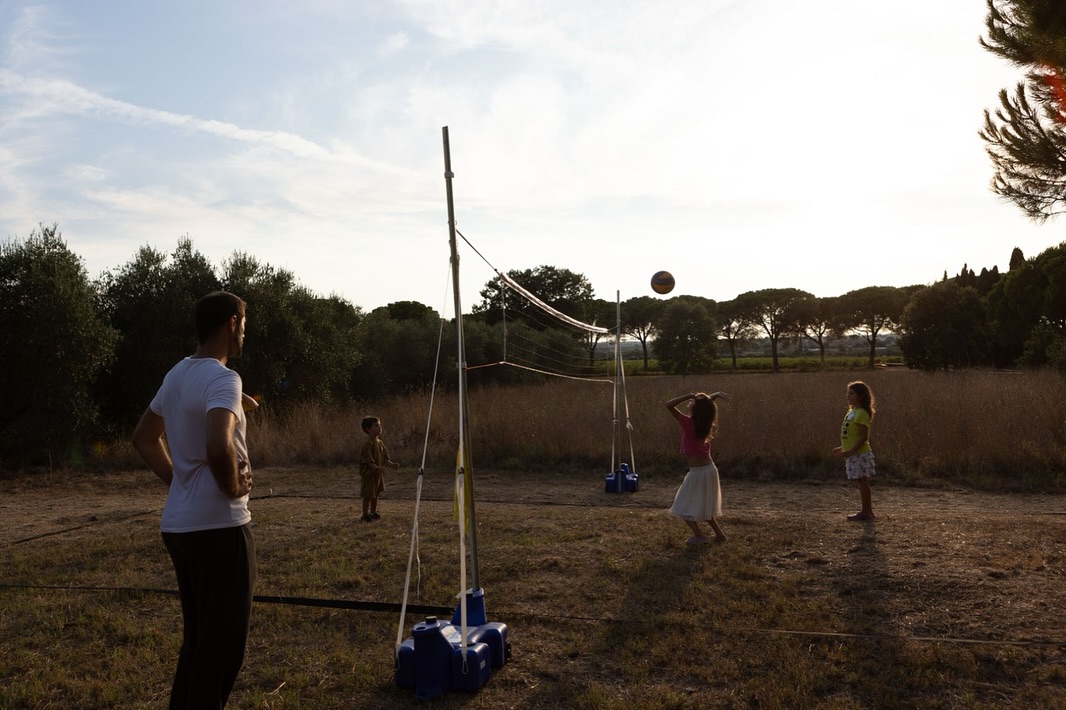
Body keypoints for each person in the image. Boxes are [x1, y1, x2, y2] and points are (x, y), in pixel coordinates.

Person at [131, 291, 256, 709]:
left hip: (180, 527)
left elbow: (144, 438)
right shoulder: (225, 379)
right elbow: (218, 447)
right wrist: (235, 487)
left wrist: (180, 481)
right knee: (221, 650)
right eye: (245, 324)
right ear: (231, 324)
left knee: (199, 641)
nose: (245, 333)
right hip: (219, 527)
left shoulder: (176, 375)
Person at [666, 390, 732, 544]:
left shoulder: (687, 423)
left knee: (682, 506)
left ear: (695, 408)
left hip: (697, 473)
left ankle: (699, 536)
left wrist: (688, 395)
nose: (690, 402)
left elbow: (668, 405)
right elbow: (707, 407)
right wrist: (713, 396)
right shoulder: (705, 422)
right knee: (705, 505)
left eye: (692, 402)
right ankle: (719, 535)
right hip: (709, 470)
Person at [832, 380, 877, 522]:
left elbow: (863, 437)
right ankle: (867, 512)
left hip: (860, 454)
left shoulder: (861, 413)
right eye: (848, 393)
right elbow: (851, 434)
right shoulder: (851, 412)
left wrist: (851, 451)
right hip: (853, 453)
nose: (848, 396)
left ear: (861, 396)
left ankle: (866, 513)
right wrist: (843, 448)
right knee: (861, 481)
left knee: (863, 481)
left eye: (851, 393)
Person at [359, 415, 399, 522]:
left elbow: (385, 458)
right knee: (368, 494)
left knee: (376, 493)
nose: (379, 428)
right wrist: (376, 468)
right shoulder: (368, 445)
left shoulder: (380, 443)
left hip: (378, 474)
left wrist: (392, 465)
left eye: (380, 425)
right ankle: (365, 514)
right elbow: (368, 461)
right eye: (376, 426)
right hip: (369, 474)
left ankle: (373, 512)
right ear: (368, 429)